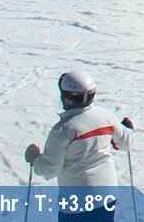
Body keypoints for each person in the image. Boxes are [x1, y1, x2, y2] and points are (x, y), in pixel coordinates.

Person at [26, 69, 128, 209]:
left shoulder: (63, 130)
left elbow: (50, 169)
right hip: (108, 195)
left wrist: (35, 159)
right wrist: (126, 129)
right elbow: (125, 143)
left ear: (66, 97)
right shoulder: (107, 117)